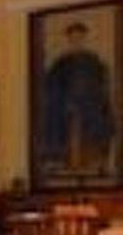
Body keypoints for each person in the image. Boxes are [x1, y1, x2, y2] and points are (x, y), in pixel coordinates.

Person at [39, 20, 114, 179]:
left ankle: (95, 164)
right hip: (66, 107)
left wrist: (94, 99)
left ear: (84, 37)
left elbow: (101, 84)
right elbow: (52, 86)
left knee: (94, 131)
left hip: (90, 106)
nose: (76, 40)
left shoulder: (93, 60)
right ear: (69, 39)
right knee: (67, 132)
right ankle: (66, 164)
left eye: (79, 37)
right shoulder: (61, 62)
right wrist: (66, 101)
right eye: (73, 37)